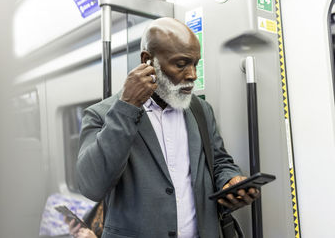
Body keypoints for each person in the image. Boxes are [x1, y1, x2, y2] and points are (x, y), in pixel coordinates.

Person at [76, 17, 260, 238]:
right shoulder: (103, 115)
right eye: (181, 64)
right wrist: (127, 107)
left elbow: (219, 162)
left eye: (195, 64)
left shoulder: (200, 110)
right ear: (148, 60)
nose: (192, 75)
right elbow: (92, 186)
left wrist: (231, 180)